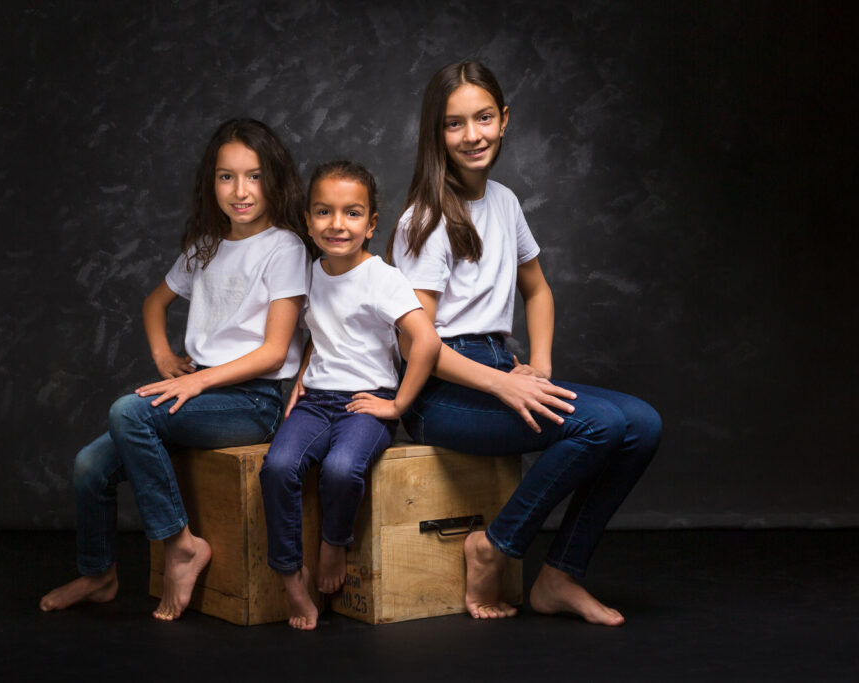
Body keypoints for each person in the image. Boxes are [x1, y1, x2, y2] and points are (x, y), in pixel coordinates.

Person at [389, 61, 661, 626]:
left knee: (642, 424)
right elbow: (416, 341)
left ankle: (558, 578)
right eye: (454, 124)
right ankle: (494, 545)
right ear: (435, 134)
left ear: (504, 119)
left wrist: (538, 366)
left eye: (484, 118)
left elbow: (537, 291)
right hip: (440, 392)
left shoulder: (506, 202)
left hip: (499, 366)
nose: (472, 135)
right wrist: (499, 383)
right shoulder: (425, 218)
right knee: (600, 426)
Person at [40, 118, 314, 621]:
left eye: (254, 176)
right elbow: (154, 302)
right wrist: (166, 358)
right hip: (202, 392)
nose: (241, 191)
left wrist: (196, 381)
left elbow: (275, 352)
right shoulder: (205, 246)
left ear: (274, 178)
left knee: (129, 412)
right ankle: (99, 574)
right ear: (211, 182)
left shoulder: (285, 247)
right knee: (89, 467)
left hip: (252, 400)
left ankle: (180, 544)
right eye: (226, 177)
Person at [259, 161, 440, 630]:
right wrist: (301, 375)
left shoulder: (382, 278)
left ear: (371, 223)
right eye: (323, 211)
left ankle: (333, 543)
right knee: (278, 467)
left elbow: (427, 341)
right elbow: (325, 332)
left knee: (341, 469)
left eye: (352, 213)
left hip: (367, 402)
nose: (336, 224)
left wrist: (397, 404)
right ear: (307, 219)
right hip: (317, 400)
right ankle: (289, 574)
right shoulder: (311, 272)